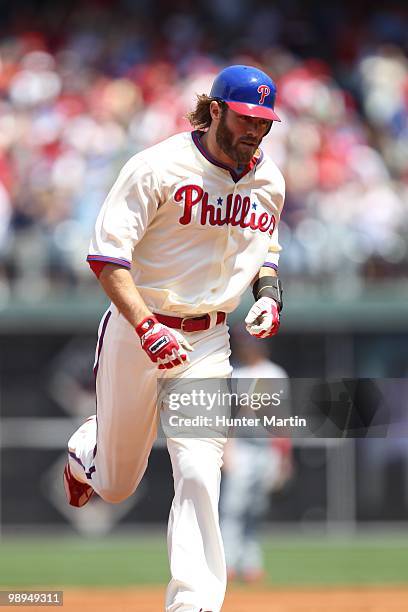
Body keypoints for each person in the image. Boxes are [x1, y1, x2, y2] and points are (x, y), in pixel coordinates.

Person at [63, 64, 285, 612]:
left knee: (198, 471)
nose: (254, 132)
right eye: (245, 119)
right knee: (116, 484)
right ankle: (85, 449)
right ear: (215, 110)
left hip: (208, 342)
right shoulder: (158, 166)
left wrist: (269, 296)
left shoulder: (269, 180)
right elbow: (106, 257)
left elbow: (267, 253)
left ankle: (194, 603)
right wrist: (146, 326)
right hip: (139, 327)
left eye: (264, 122)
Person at [220, 329, 293, 583]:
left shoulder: (274, 373)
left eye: (251, 343)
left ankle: (251, 563)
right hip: (241, 446)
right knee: (232, 507)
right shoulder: (234, 373)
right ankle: (226, 563)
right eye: (244, 343)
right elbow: (226, 419)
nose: (247, 347)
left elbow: (282, 419)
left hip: (267, 447)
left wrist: (284, 458)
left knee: (257, 508)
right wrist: (226, 451)